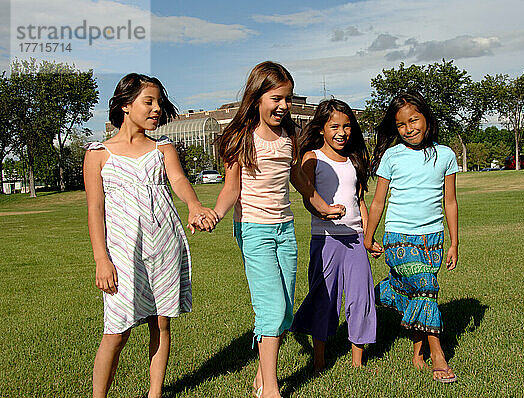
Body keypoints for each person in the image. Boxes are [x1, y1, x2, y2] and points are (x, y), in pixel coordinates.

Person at [210, 61, 345, 398]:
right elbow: (231, 189)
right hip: (254, 230)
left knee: (283, 308)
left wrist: (322, 206)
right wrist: (215, 213)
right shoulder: (240, 137)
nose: (284, 105)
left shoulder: (289, 136)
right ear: (257, 96)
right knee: (271, 309)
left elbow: (298, 178)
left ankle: (260, 377)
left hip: (284, 230)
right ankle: (270, 389)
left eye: (288, 98)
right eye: (277, 98)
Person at [83, 73, 218, 398]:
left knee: (161, 323)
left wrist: (196, 206)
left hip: (164, 249)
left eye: (159, 102)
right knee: (116, 332)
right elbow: (95, 211)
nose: (157, 108)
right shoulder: (98, 153)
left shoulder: (163, 148)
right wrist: (102, 259)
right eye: (149, 101)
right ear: (126, 105)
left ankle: (155, 394)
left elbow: (180, 182)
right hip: (122, 255)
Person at [363, 92, 459, 383]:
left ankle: (391, 293)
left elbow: (450, 202)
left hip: (433, 239)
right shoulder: (392, 156)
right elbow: (378, 202)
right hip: (399, 237)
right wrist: (369, 237)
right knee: (426, 286)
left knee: (418, 292)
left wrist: (454, 242)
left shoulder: (446, 155)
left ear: (426, 117)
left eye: (414, 119)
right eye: (401, 124)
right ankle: (438, 355)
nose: (409, 128)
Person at [290, 99, 376, 372]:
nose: (342, 132)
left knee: (361, 298)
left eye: (347, 126)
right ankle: (319, 361)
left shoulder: (354, 160)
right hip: (325, 239)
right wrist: (323, 211)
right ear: (321, 129)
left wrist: (369, 236)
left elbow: (360, 200)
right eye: (335, 126)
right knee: (324, 299)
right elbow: (307, 195)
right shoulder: (313, 157)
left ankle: (357, 362)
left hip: (355, 240)